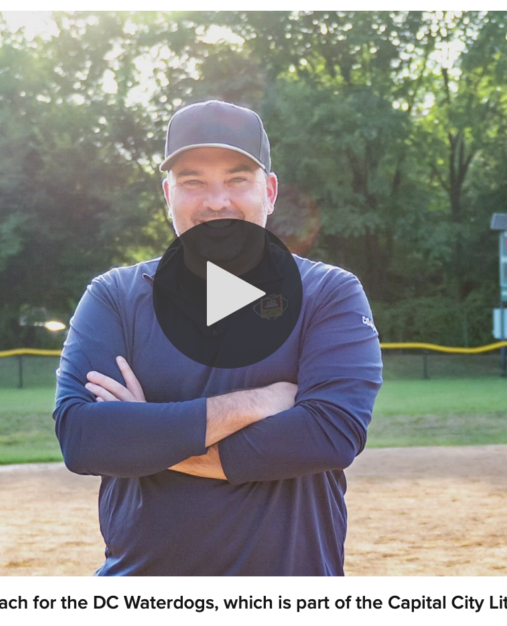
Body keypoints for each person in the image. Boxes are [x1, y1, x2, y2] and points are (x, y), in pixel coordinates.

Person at [53, 100, 383, 575]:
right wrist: (256, 404)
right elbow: (84, 440)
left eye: (236, 179)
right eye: (193, 182)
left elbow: (329, 436)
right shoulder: (116, 298)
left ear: (269, 192)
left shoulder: (327, 293)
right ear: (167, 193)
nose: (216, 201)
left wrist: (147, 433)